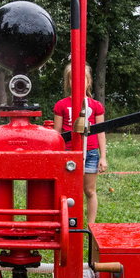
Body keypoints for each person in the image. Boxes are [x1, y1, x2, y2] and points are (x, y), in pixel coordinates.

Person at [53, 63, 107, 224]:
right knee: (67, 192)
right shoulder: (61, 105)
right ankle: (65, 223)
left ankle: (91, 225)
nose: (76, 83)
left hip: (90, 153)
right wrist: (57, 155)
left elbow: (101, 132)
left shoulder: (95, 106)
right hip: (69, 154)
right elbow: (57, 134)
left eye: (81, 79)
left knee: (89, 190)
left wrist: (103, 157)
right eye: (72, 79)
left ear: (88, 82)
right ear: (68, 82)